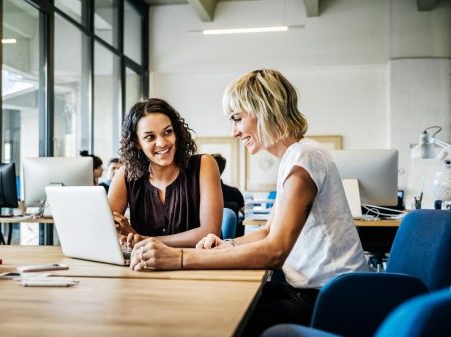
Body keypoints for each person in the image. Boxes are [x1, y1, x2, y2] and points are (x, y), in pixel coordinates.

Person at [128, 70, 368, 335]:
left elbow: (275, 252)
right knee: (212, 303)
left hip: (329, 299)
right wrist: (225, 245)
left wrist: (181, 258)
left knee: (214, 321)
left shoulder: (304, 159)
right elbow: (267, 232)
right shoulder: (296, 157)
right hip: (308, 290)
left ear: (264, 110)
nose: (234, 132)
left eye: (237, 119)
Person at [108, 98, 223, 248]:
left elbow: (209, 232)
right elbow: (107, 229)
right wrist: (125, 237)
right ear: (137, 142)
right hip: (143, 268)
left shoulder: (204, 165)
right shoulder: (126, 175)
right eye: (150, 137)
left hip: (195, 266)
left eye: (167, 132)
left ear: (176, 132)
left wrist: (142, 240)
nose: (162, 143)